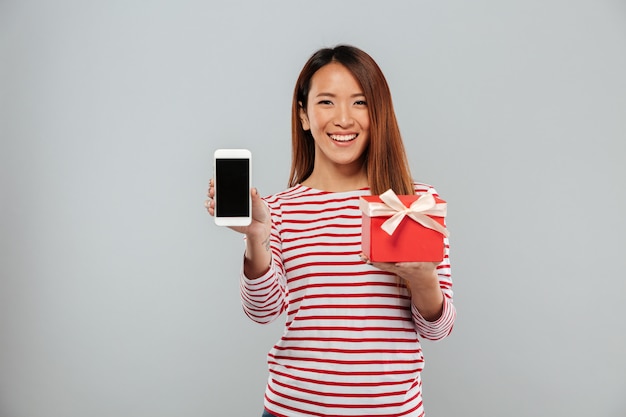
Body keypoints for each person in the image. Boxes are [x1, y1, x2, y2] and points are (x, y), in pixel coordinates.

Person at [205, 45, 455, 417]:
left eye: (359, 102)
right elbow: (263, 311)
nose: (343, 119)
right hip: (293, 408)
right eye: (326, 102)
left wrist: (422, 279)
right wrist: (256, 238)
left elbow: (437, 329)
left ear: (378, 113)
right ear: (304, 115)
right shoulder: (279, 209)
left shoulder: (414, 205)